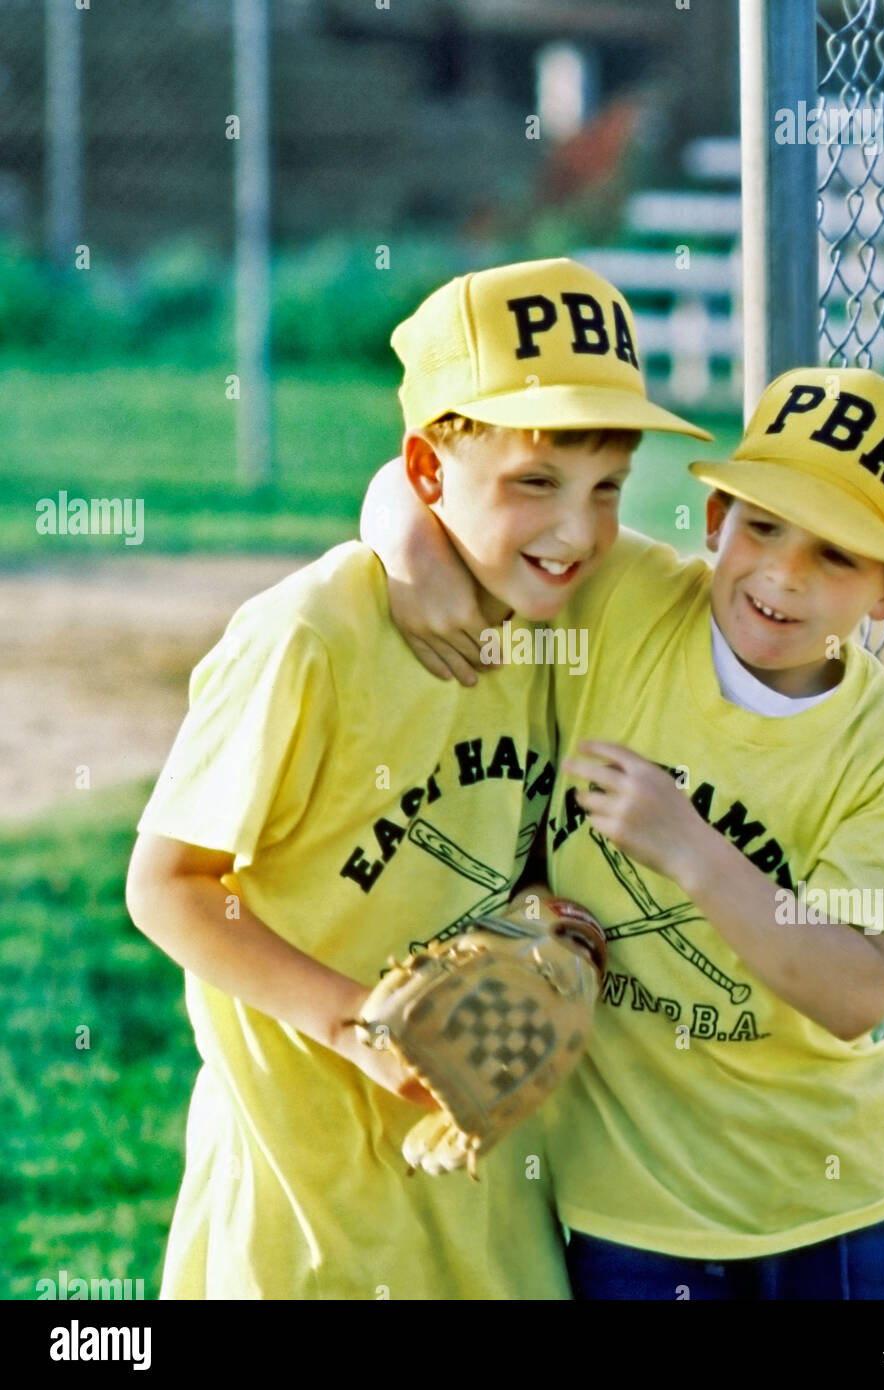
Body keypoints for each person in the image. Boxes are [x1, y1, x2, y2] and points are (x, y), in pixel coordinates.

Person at [123, 257, 710, 1300]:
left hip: (492, 1220)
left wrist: (556, 928)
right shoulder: (308, 639)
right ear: (430, 470)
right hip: (306, 1224)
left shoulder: (564, 622)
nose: (578, 530)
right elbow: (167, 884)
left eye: (608, 486)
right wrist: (356, 1022)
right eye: (536, 482)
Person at [362, 366, 884, 1300]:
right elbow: (440, 482)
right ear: (716, 519)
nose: (782, 575)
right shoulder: (630, 599)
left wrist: (688, 847)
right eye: (763, 525)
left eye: (836, 556)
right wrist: (403, 542)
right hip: (631, 1216)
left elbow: (857, 990)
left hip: (831, 1210)